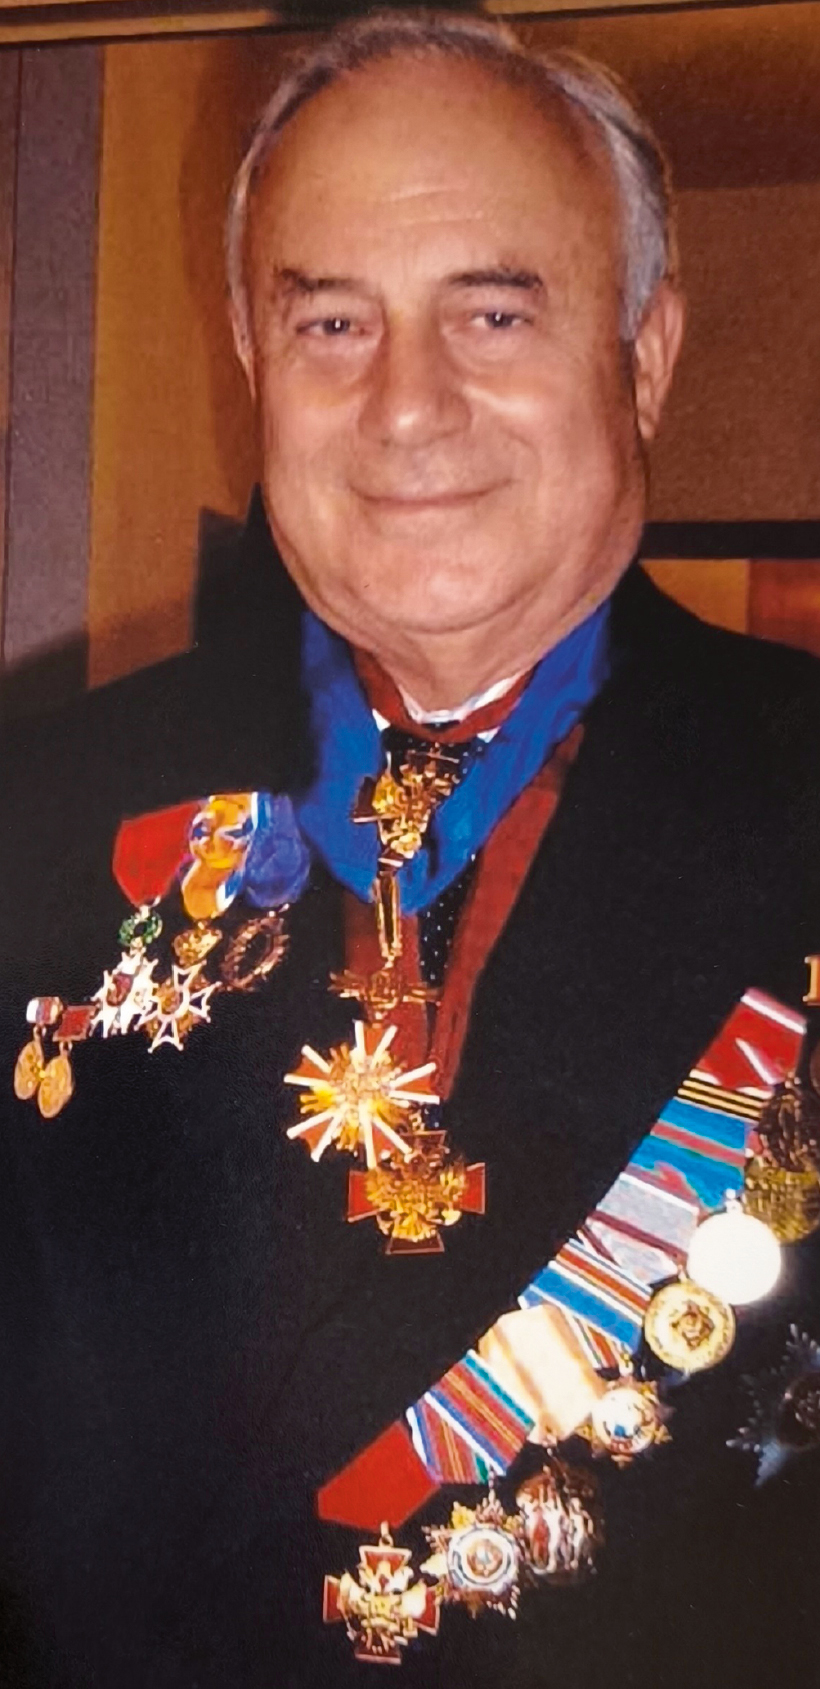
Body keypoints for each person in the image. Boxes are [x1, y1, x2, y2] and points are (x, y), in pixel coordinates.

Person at [0, 11, 819, 1686]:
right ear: (252, 356)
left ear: (646, 353)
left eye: (494, 312)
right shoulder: (34, 804)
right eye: (332, 321)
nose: (407, 404)